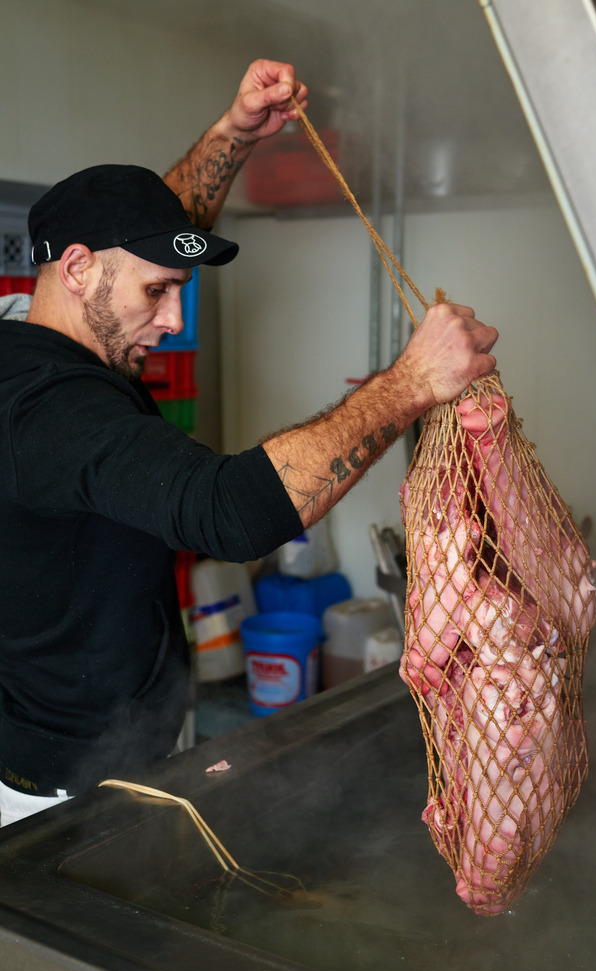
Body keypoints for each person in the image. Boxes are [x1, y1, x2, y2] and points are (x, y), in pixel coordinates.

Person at [0, 62, 498, 828]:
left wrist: (234, 135)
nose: (172, 320)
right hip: (60, 785)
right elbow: (231, 512)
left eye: (178, 289)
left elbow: (139, 243)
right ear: (75, 269)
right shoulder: (51, 412)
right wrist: (410, 383)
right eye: (158, 294)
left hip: (125, 737)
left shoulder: (40, 331)